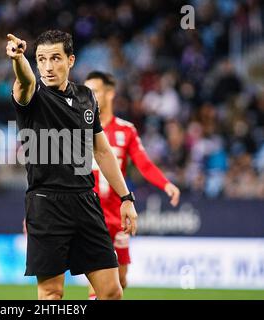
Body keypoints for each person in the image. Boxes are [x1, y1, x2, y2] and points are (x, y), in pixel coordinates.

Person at [6, 30, 138, 300]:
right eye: (41, 59)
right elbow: (25, 79)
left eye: (55, 58)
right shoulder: (32, 94)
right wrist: (19, 59)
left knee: (112, 291)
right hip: (46, 203)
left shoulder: (86, 97)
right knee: (52, 293)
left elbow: (102, 151)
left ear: (71, 60)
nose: (47, 66)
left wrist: (126, 197)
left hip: (85, 202)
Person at [84, 71, 181, 298]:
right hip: (89, 213)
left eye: (94, 91)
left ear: (109, 94)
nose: (89, 96)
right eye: (86, 91)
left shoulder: (126, 130)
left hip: (117, 215)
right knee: (99, 280)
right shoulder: (77, 128)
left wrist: (166, 184)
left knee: (120, 280)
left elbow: (143, 164)